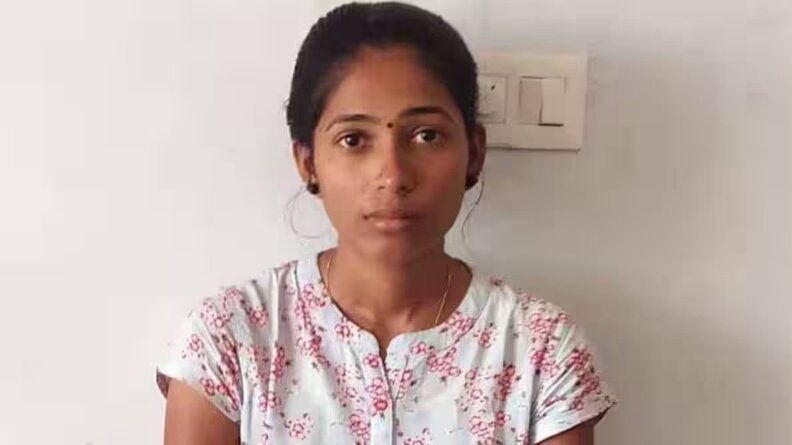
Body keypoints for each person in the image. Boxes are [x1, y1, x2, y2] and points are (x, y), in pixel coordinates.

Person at [156, 2, 617, 444]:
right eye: (354, 139)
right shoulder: (230, 341)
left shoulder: (540, 352)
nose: (393, 176)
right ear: (308, 162)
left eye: (427, 135)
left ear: (474, 152)